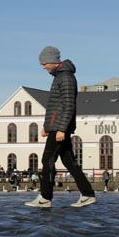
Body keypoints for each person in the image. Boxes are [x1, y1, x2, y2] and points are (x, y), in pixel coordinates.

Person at [26, 46, 96, 208]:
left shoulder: (66, 78)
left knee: (47, 160)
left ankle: (45, 198)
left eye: (44, 62)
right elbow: (56, 106)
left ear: (52, 60)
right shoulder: (59, 77)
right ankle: (87, 194)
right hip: (56, 127)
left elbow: (68, 105)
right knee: (69, 162)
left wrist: (61, 128)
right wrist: (47, 127)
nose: (43, 66)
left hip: (60, 128)